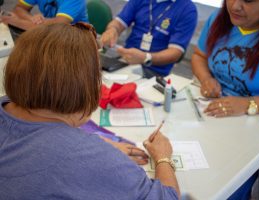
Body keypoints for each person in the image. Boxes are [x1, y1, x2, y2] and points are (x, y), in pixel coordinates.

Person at [0, 23, 180, 199]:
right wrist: (163, 157)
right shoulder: (80, 156)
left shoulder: (6, 104)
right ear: (83, 86)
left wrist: (97, 145)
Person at [192, 0, 259, 199]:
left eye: (248, 0)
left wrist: (248, 104)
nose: (235, 6)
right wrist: (206, 79)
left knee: (225, 186)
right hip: (215, 111)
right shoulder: (218, 19)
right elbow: (199, 56)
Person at [101, 0, 197, 78]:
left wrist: (146, 57)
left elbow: (175, 53)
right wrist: (112, 30)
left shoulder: (187, 10)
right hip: (125, 60)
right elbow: (119, 22)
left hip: (153, 71)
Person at [0, 0, 88, 30]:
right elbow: (18, 8)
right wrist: (31, 18)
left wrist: (12, 21)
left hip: (77, 38)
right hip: (48, 32)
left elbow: (56, 26)